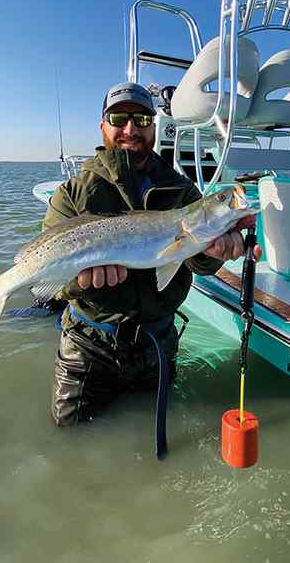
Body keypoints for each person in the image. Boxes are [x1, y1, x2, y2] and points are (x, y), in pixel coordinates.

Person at [43, 81, 259, 426]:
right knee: (70, 437)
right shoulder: (71, 194)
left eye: (142, 120)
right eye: (119, 118)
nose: (131, 129)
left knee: (161, 437)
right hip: (87, 347)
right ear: (103, 126)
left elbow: (197, 263)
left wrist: (217, 250)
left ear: (154, 127)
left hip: (156, 345)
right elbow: (54, 284)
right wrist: (81, 283)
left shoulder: (182, 190)